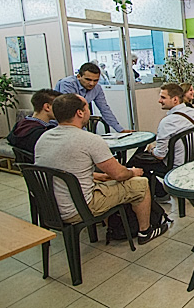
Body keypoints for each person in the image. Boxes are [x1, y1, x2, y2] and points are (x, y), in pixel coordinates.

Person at [35, 94, 168, 244]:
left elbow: (63, 171)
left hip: (50, 208)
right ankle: (146, 231)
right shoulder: (89, 139)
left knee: (107, 179)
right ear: (80, 112)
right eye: (87, 107)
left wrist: (97, 176)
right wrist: (133, 172)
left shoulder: (44, 138)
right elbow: (119, 174)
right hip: (79, 208)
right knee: (140, 184)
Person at [127, 83, 194, 201]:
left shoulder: (167, 122)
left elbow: (160, 155)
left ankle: (160, 194)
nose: (159, 101)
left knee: (136, 161)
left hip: (175, 166)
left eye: (163, 97)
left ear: (175, 99)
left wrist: (151, 149)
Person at [55, 62, 130, 133]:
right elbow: (70, 110)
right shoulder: (67, 84)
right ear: (78, 76)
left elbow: (105, 109)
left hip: (77, 125)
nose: (92, 83)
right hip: (58, 125)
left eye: (95, 80)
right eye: (88, 79)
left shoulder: (97, 88)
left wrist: (120, 130)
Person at [7, 89, 61, 154]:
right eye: (58, 106)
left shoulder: (20, 125)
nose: (62, 110)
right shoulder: (42, 134)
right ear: (47, 107)